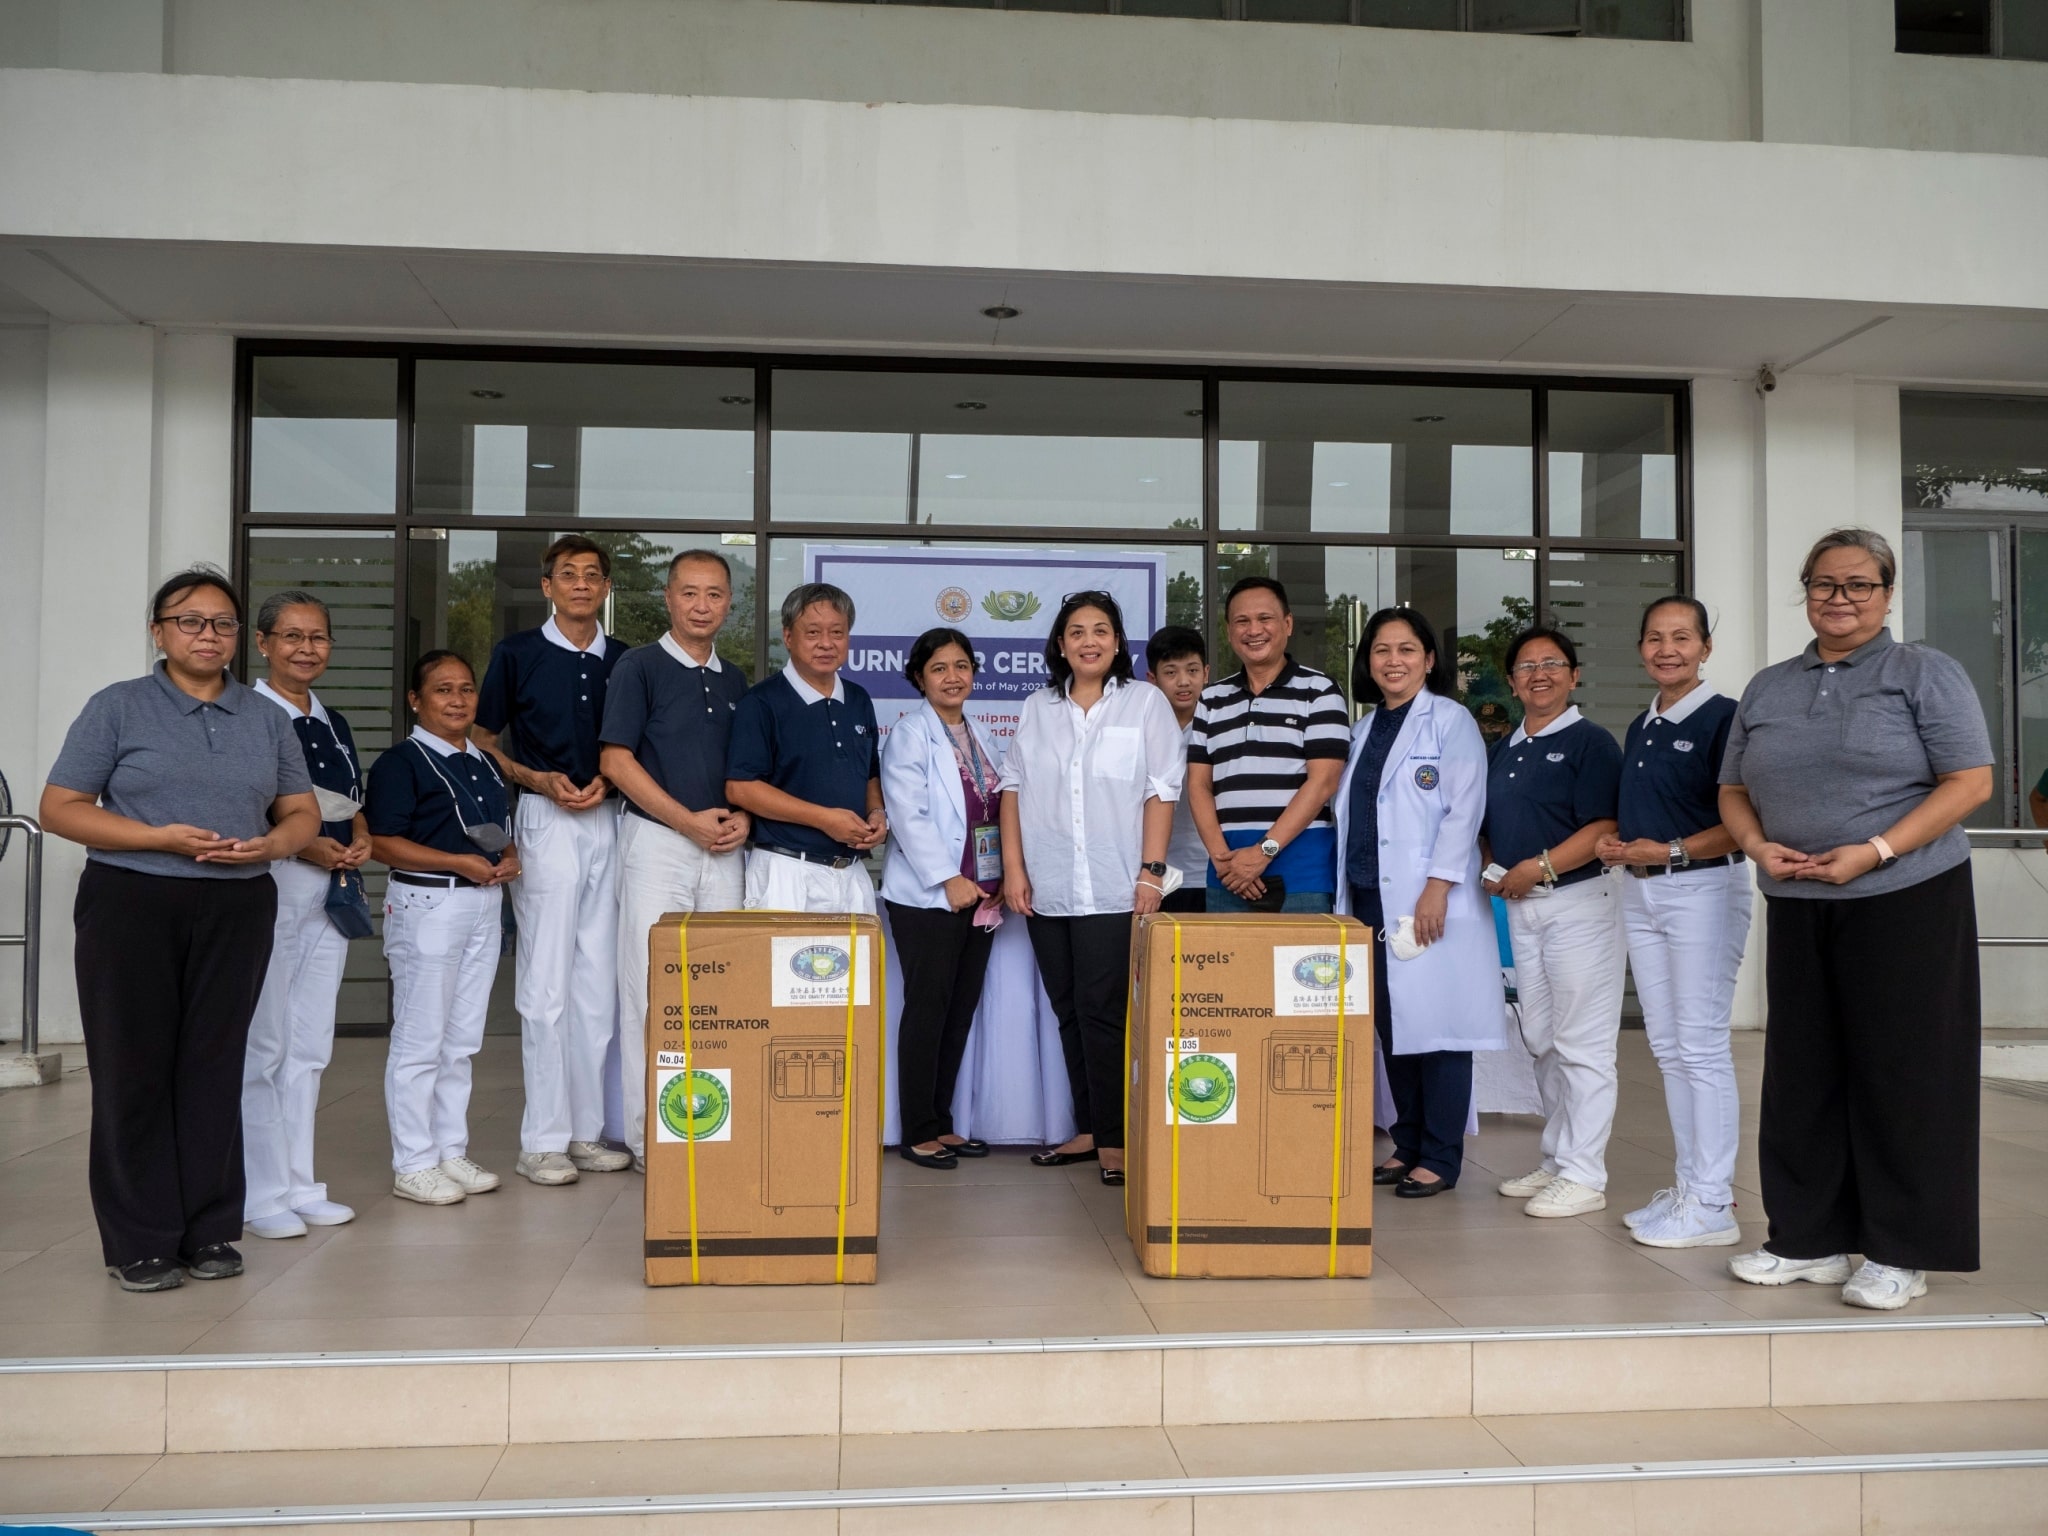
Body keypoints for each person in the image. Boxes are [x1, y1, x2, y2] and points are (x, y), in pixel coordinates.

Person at [1719, 528, 1993, 1310]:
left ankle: (1900, 1250)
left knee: (1904, 1076)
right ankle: (1808, 1237)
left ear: (1886, 592)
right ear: (1805, 590)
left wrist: (1874, 850)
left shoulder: (1922, 672)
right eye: (1825, 583)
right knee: (1803, 1076)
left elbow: (1969, 781)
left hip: (1904, 899)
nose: (1840, 598)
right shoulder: (1770, 685)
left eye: (1858, 584)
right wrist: (1756, 845)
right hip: (1800, 900)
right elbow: (1733, 787)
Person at [40, 567, 318, 1292]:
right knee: (134, 1069)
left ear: (239, 638)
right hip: (132, 900)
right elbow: (62, 807)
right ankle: (140, 1238)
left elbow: (301, 813)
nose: (207, 634)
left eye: (222, 623)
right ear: (158, 630)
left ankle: (210, 1231)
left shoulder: (266, 719)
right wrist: (156, 837)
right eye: (190, 620)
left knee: (213, 1068)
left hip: (238, 904)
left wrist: (275, 845)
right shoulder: (120, 707)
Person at [999, 591, 1181, 1186]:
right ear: (1060, 645)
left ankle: (1117, 1138)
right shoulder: (1037, 707)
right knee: (1069, 1011)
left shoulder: (1144, 703)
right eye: (1076, 632)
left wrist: (1151, 873)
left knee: (1104, 1012)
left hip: (1114, 888)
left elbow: (1161, 790)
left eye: (1100, 630)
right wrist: (1015, 869)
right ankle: (1088, 1127)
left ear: (1117, 641)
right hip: (1048, 887)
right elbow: (1013, 790)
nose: (1088, 641)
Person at [473, 534, 631, 1188]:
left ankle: (585, 1133)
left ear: (605, 588)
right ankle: (541, 1141)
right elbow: (480, 737)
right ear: (547, 586)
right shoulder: (517, 654)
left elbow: (637, 746)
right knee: (545, 984)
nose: (581, 584)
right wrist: (530, 778)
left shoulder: (626, 660)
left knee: (597, 985)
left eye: (593, 575)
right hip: (545, 820)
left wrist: (613, 784)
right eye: (568, 575)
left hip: (611, 819)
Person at [1595, 596, 1752, 1250]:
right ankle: (1691, 1186)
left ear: (1705, 648)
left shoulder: (1726, 719)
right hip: (1643, 893)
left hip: (1703, 892)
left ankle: (1713, 1202)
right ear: (1641, 649)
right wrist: (1625, 849)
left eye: (1681, 638)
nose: (1667, 649)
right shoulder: (1644, 724)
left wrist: (1673, 851)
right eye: (1655, 638)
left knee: (1702, 1046)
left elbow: (1743, 819)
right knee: (1667, 1048)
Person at [1332, 608, 1505, 1198]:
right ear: (1368, 661)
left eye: (1407, 649)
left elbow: (1464, 808)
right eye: (1382, 650)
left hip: (1428, 900)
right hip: (1368, 899)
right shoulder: (1359, 732)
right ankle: (1406, 1143)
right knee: (1391, 1024)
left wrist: (1437, 886)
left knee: (1441, 1028)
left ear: (1429, 660)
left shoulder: (1450, 722)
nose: (1393, 661)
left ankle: (1440, 1155)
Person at [599, 548, 751, 1171]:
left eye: (714, 594)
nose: (701, 605)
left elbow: (745, 772)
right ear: (668, 597)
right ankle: (649, 1140)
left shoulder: (737, 679)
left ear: (728, 603)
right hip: (659, 844)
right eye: (689, 592)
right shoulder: (638, 667)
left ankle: (705, 1126)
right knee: (652, 992)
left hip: (724, 848)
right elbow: (616, 762)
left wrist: (743, 818)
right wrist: (685, 820)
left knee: (721, 995)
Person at [367, 650, 522, 1207]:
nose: (457, 700)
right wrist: (457, 863)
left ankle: (449, 1149)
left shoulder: (482, 759)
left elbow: (496, 828)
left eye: (466, 689)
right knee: (419, 1040)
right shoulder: (400, 763)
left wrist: (510, 857)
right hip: (430, 906)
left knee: (460, 1040)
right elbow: (383, 841)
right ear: (416, 699)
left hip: (481, 903)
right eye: (441, 690)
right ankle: (412, 1162)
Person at [1480, 625, 1625, 1219]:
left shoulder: (1592, 743)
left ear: (1574, 675)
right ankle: (1559, 1159)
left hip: (1577, 905)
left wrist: (1535, 868)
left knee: (1582, 1043)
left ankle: (1586, 1173)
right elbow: (1485, 822)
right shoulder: (1504, 747)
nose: (1539, 675)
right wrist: (1495, 867)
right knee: (1540, 1037)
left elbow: (1600, 830)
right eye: (1527, 666)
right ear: (1512, 681)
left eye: (1552, 664)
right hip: (1520, 909)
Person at [242, 590, 369, 1240]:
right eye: (291, 637)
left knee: (311, 1043)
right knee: (265, 1043)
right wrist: (305, 842)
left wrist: (361, 834)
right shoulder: (245, 714)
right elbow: (250, 798)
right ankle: (259, 1193)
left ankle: (299, 1183)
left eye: (317, 637)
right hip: (278, 879)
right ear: (263, 644)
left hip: (332, 888)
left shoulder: (332, 720)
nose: (305, 649)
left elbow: (349, 797)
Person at [880, 627, 1004, 1170]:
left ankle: (943, 1122)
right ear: (919, 678)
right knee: (928, 1010)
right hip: (929, 896)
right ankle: (917, 1129)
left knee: (958, 1011)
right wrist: (944, 877)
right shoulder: (910, 735)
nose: (952, 677)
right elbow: (909, 814)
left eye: (961, 666)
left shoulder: (982, 735)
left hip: (980, 893)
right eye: (939, 668)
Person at [1187, 577, 1349, 914]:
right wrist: (1224, 862)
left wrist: (1263, 852)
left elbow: (1323, 782)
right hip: (1227, 874)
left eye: (1265, 619)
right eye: (1242, 621)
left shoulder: (1319, 691)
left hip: (1301, 874)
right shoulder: (1211, 699)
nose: (1253, 630)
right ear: (1229, 631)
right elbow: (1199, 786)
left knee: (1300, 968)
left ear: (1287, 624)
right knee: (1227, 968)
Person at [727, 582, 886, 915]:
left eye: (837, 632)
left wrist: (876, 814)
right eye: (812, 632)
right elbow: (741, 788)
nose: (826, 643)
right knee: (782, 969)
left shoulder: (858, 699)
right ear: (788, 637)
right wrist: (825, 819)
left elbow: (869, 771)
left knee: (859, 969)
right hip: (787, 872)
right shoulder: (761, 702)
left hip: (851, 873)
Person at [1145, 624, 1211, 913]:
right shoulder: (1140, 730)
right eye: (1171, 672)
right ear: (1153, 679)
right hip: (1153, 878)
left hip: (1210, 875)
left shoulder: (1222, 728)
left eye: (1192, 670)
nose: (1183, 681)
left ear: (1206, 673)